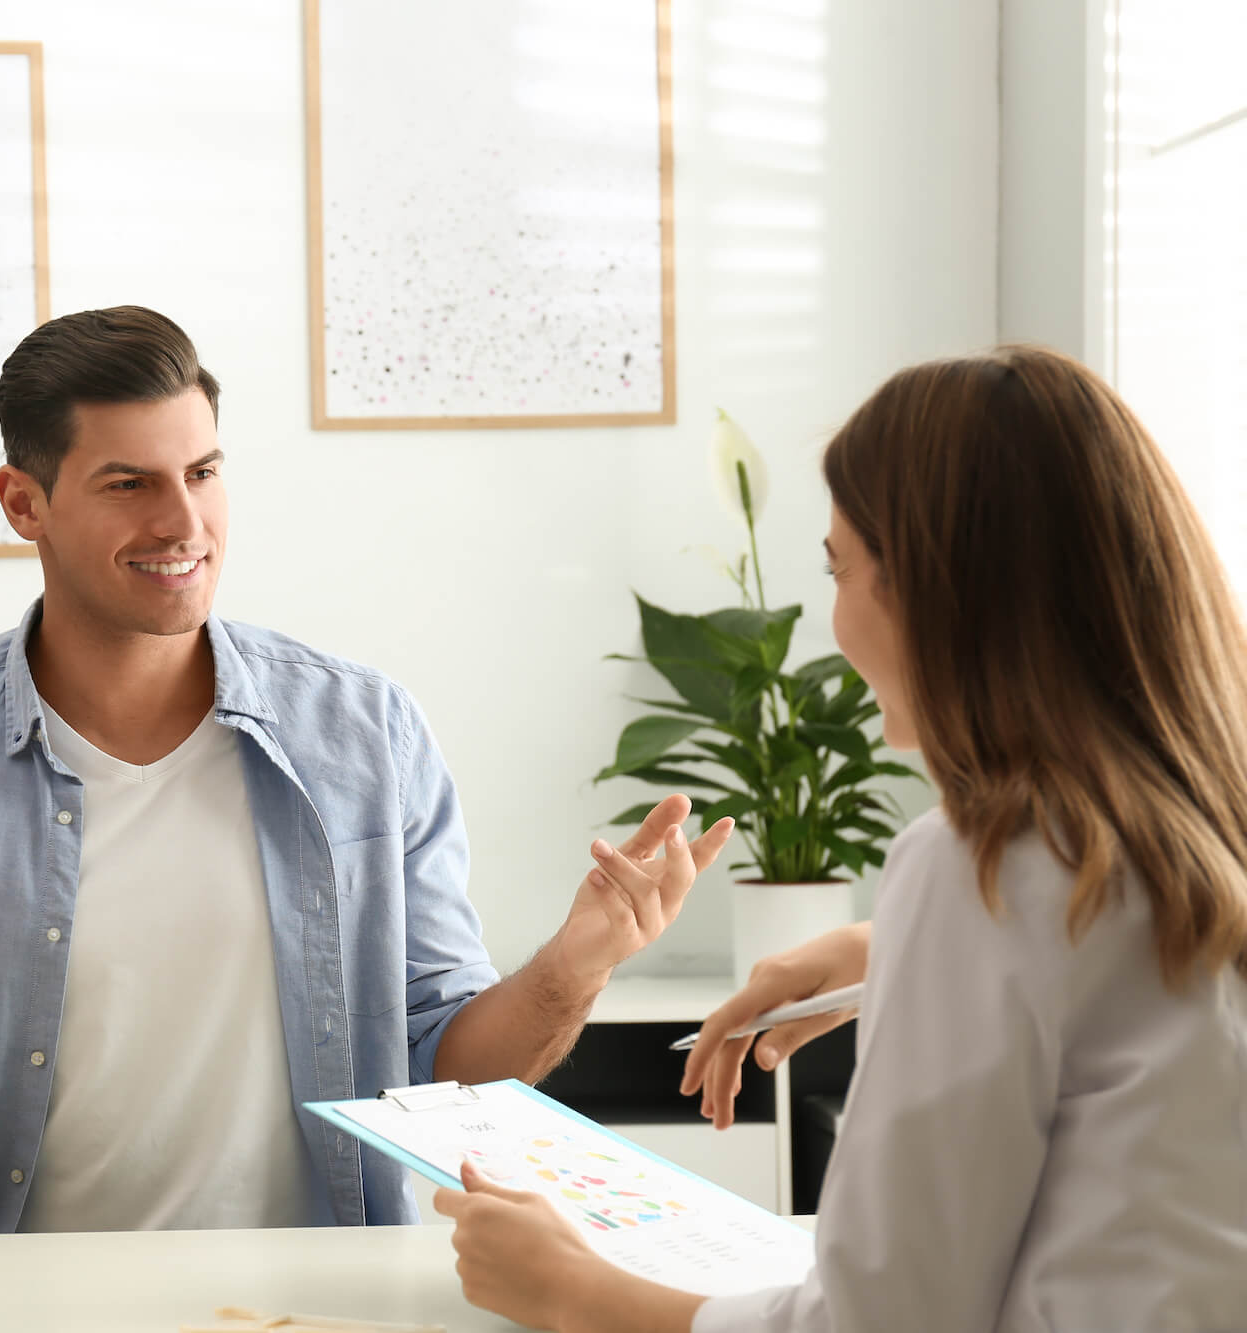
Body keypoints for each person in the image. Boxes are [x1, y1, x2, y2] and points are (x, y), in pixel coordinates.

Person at [0, 305, 736, 1233]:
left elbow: (446, 1070)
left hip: (303, 1301)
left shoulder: (368, 736)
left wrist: (579, 962)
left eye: (203, 472)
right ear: (23, 502)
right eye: (128, 483)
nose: (183, 522)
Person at [436, 345, 1247, 1331]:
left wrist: (571, 1289)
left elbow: (882, 1320)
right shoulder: (1198, 821)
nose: (833, 614)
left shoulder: (982, 866)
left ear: (932, 587)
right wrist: (886, 961)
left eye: (840, 567)